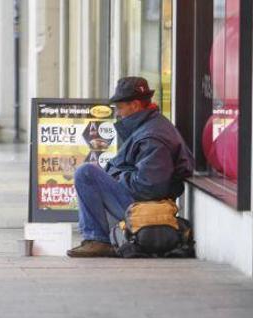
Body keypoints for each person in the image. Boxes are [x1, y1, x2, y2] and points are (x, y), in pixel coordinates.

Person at [67, 77, 194, 258]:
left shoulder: (153, 137)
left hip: (145, 205)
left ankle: (97, 239)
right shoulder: (150, 125)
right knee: (93, 174)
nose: (117, 113)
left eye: (120, 108)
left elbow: (149, 187)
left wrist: (117, 176)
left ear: (134, 105)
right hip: (142, 200)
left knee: (86, 173)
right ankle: (97, 237)